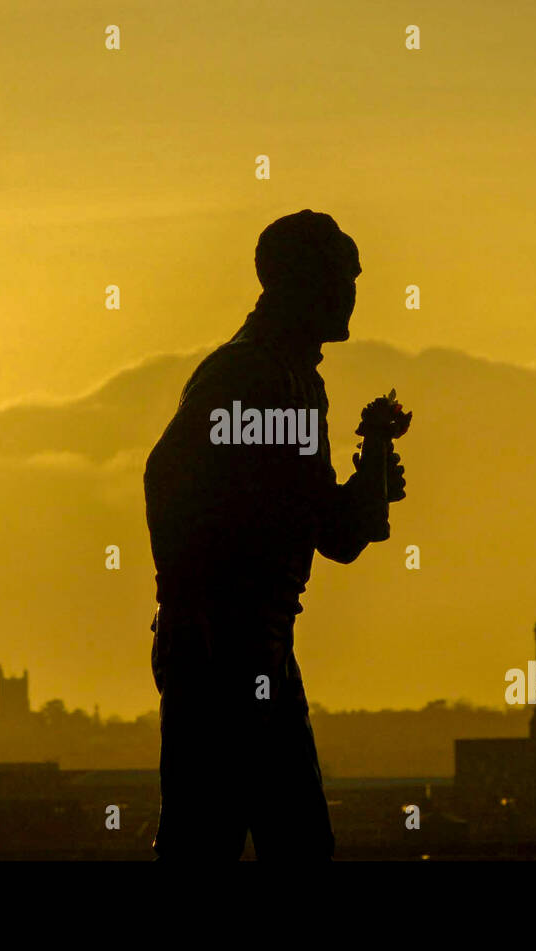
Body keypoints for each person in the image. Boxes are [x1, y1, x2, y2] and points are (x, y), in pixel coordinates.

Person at [143, 209, 407, 859]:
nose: (352, 290)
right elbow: (166, 479)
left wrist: (371, 457)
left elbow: (334, 531)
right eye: (342, 276)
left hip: (255, 648)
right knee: (219, 838)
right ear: (301, 283)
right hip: (226, 651)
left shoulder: (291, 381)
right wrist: (192, 610)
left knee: (276, 837)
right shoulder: (253, 376)